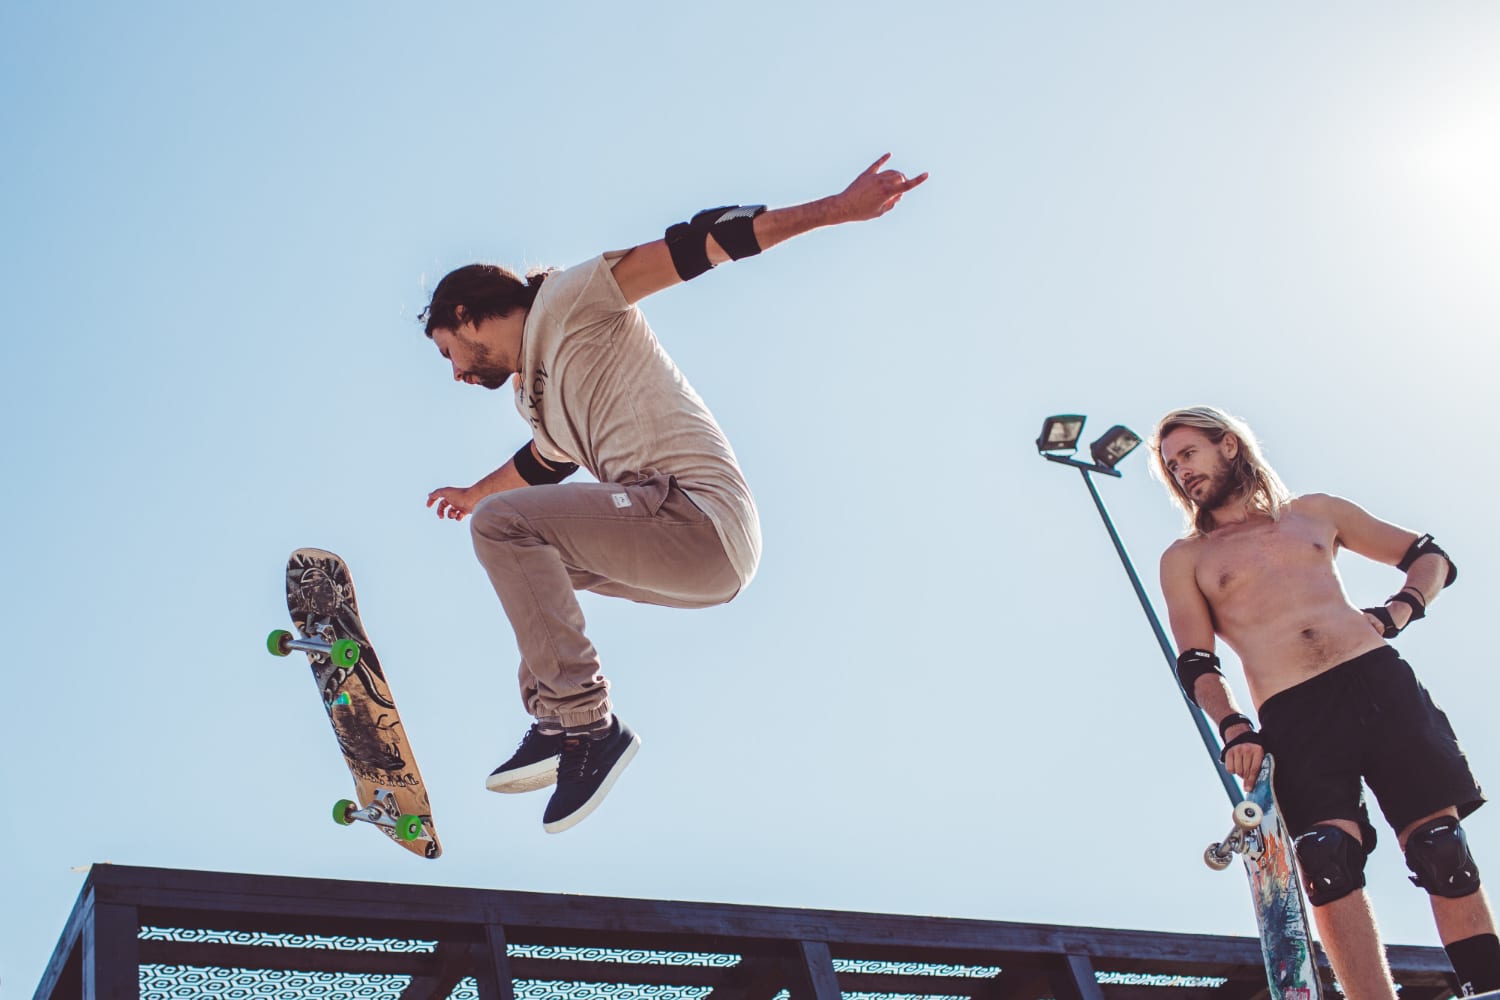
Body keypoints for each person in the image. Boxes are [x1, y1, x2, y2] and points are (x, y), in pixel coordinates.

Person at [419, 155, 927, 834]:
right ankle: (555, 718)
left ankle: (588, 725)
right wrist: (475, 491)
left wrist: (836, 207)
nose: (453, 373)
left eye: (446, 351)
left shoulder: (573, 297)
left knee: (503, 528)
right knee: (528, 557)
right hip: (684, 554)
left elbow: (699, 244)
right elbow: (544, 466)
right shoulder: (534, 399)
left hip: (695, 512)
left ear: (465, 314)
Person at [1151, 405, 1498, 997]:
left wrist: (1399, 610)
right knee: (1325, 859)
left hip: (1377, 681)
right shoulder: (1187, 558)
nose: (1181, 471)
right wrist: (1234, 726)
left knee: (1440, 847)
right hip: (1292, 711)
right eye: (1171, 466)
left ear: (1228, 445)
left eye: (1188, 454)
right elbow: (1196, 662)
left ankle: (1489, 986)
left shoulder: (1314, 513)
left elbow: (1430, 555)